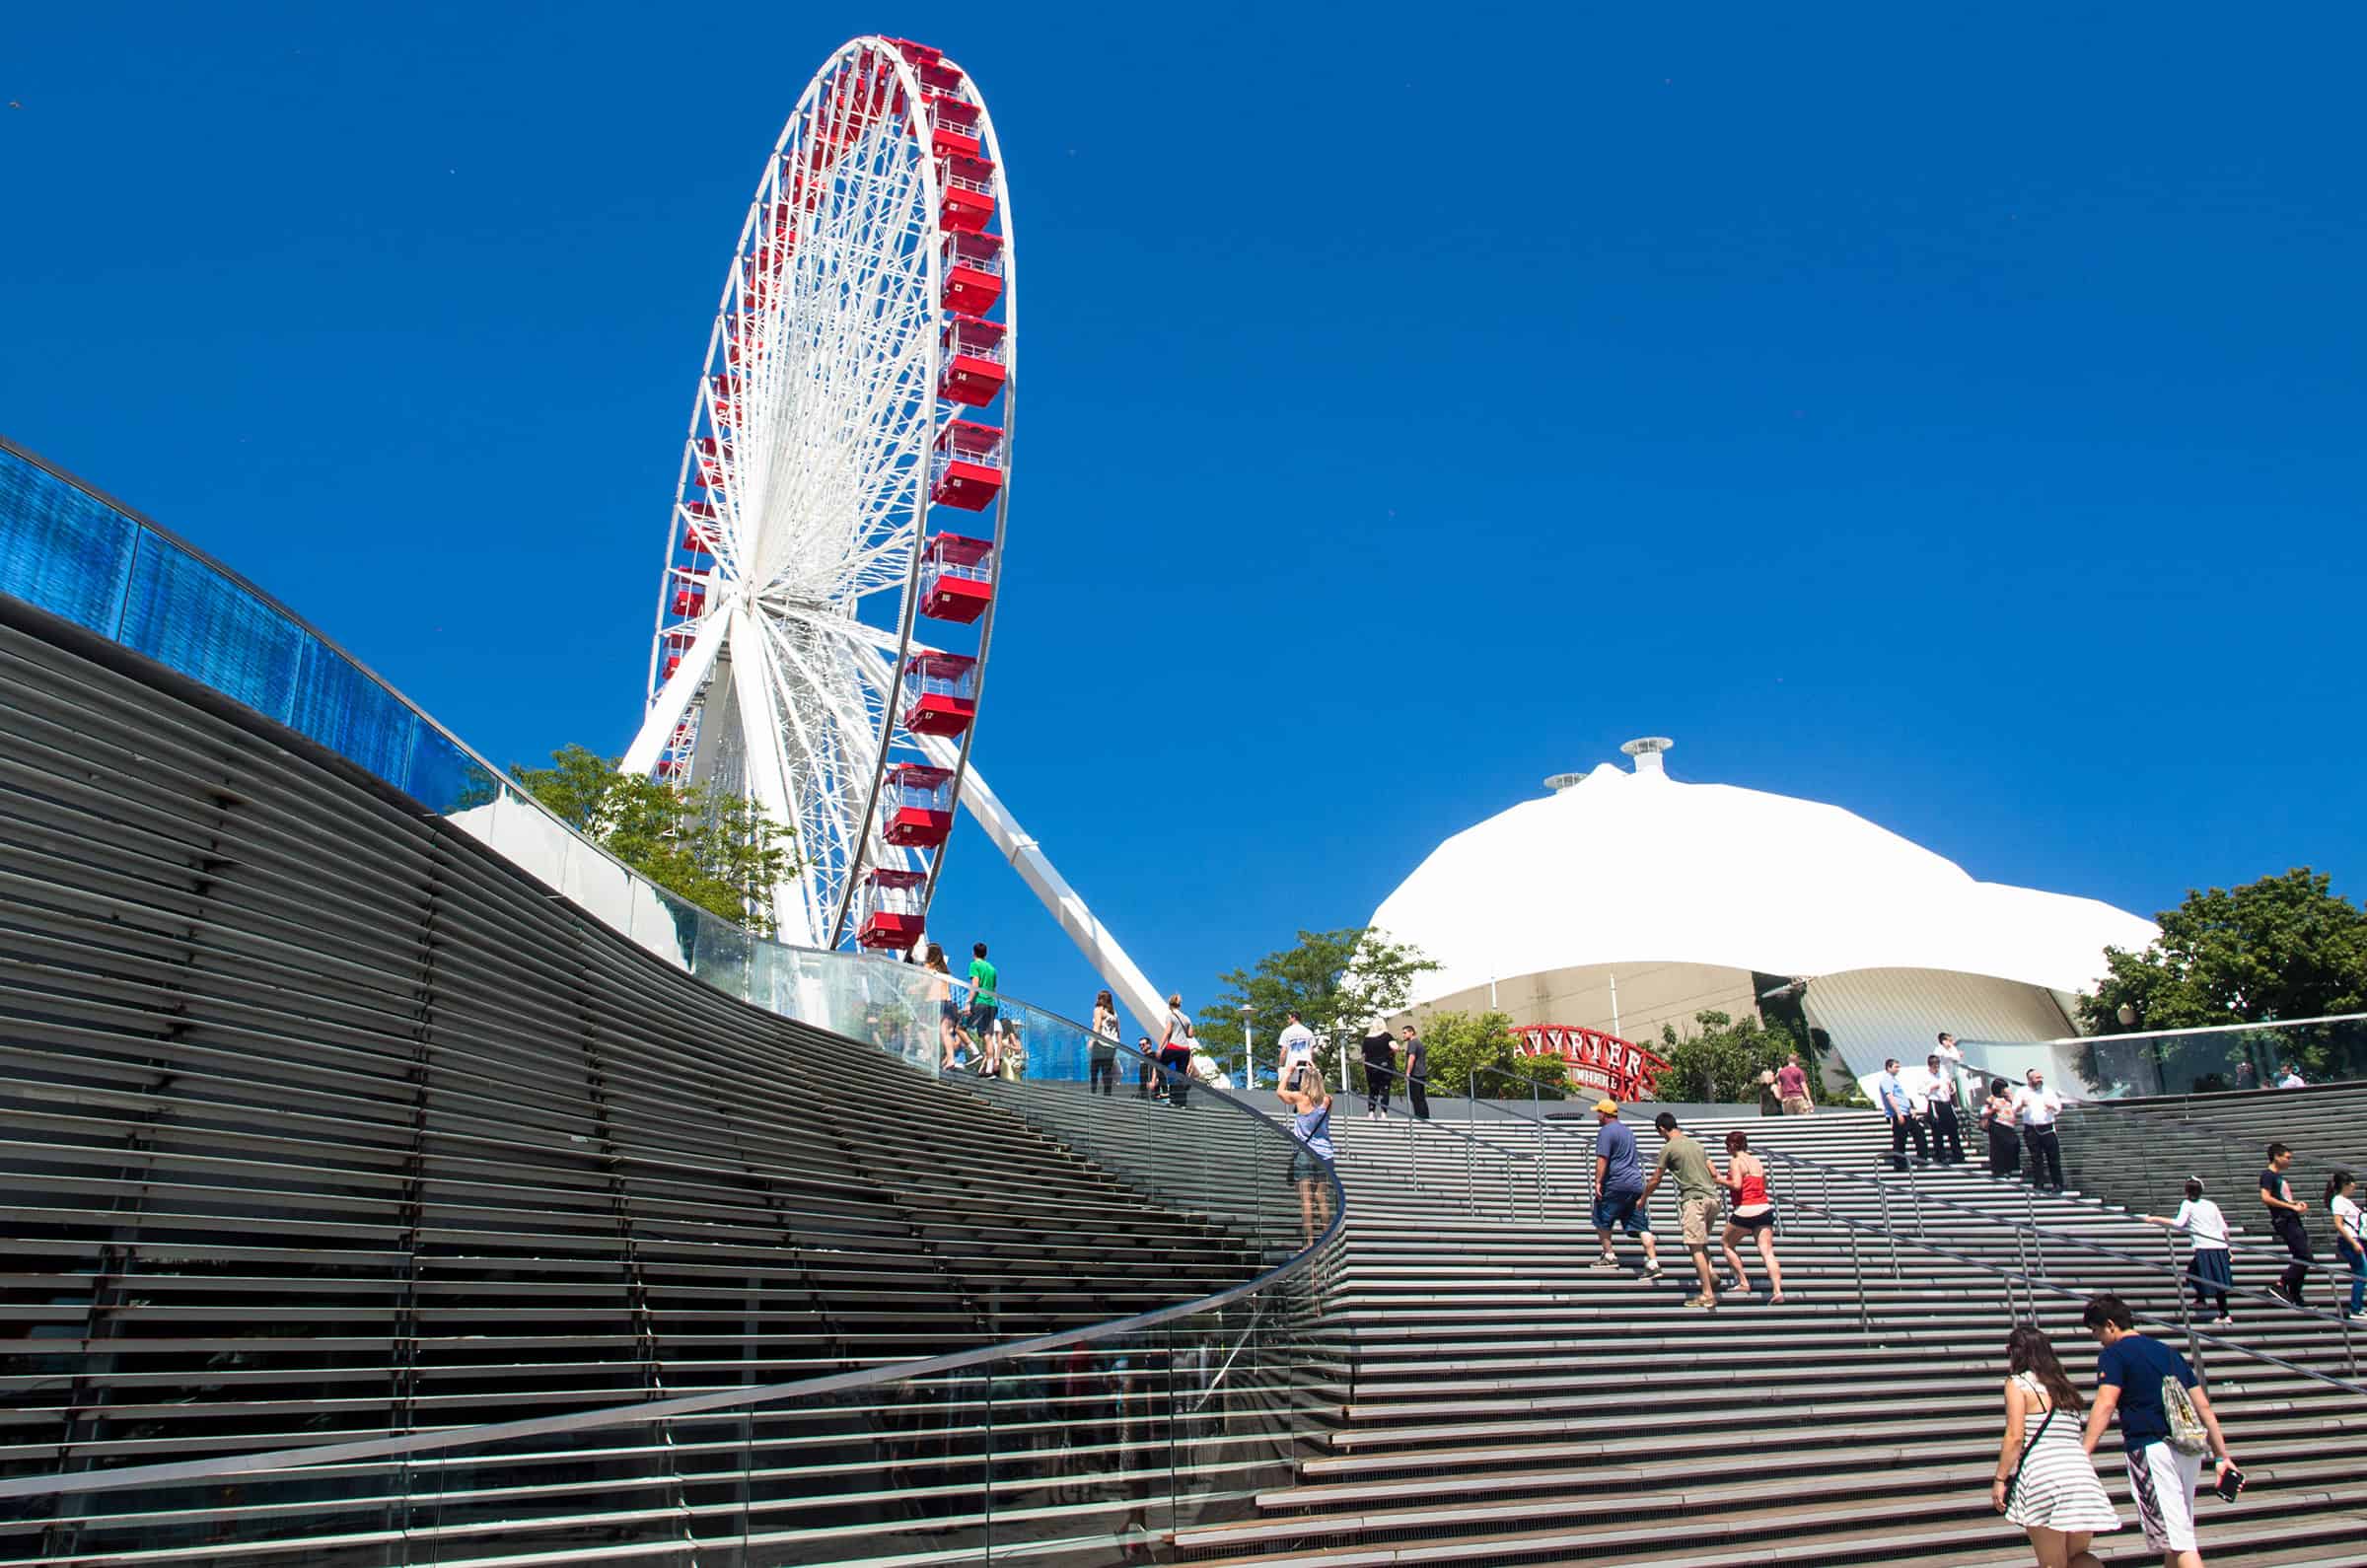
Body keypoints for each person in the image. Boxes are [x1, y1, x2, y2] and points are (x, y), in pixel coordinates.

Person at [2080, 1294, 2239, 1568]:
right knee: (2177, 1532)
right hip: (2187, 1450)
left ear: (2110, 1324)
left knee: (2179, 1540)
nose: (2097, 1338)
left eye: (2096, 1331)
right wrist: (2222, 1457)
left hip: (2151, 1450)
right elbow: (2204, 1409)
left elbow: (2106, 1403)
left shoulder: (2113, 1355)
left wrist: (2084, 1453)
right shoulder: (2169, 1353)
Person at [1990, 1324, 2118, 1568]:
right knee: (2078, 1557)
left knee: (2052, 1562)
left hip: (2044, 1476)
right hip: (2081, 1477)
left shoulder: (2018, 1384)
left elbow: (2015, 1435)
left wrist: (2000, 1479)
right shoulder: (2063, 1387)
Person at [1642, 1111, 1723, 1310]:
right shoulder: (1697, 1145)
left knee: (1694, 1246)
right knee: (1702, 1240)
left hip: (1693, 1199)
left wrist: (1643, 1197)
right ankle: (1710, 1273)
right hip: (1713, 1198)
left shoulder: (1668, 1148)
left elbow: (1656, 1178)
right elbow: (1714, 1173)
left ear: (1662, 1129)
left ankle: (1707, 1294)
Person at [1587, 1099, 1661, 1278]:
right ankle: (1653, 1262)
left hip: (1615, 1183)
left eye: (1599, 1113)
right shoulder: (1627, 1131)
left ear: (1604, 1114)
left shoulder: (1605, 1132)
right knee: (1641, 1225)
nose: (1597, 1116)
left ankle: (1609, 1255)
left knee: (1601, 1216)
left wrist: (1597, 1181)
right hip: (1635, 1183)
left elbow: (1602, 1158)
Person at [2143, 1178, 2234, 1323]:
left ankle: (2224, 1314)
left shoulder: (2188, 1204)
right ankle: (2201, 1299)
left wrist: (2154, 1219)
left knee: (2215, 1281)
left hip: (2205, 1246)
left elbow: (2178, 1223)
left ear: (2186, 1192)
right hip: (2219, 1245)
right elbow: (2223, 1227)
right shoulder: (2211, 1204)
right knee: (2194, 1271)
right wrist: (2229, 1248)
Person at [1716, 1129, 1784, 1304]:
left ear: (1732, 1145)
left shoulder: (1736, 1161)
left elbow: (1737, 1185)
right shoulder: (1757, 1161)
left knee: (1726, 1244)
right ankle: (1777, 1290)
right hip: (1764, 1207)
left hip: (1746, 1208)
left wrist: (1719, 1179)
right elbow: (1765, 1182)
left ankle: (1743, 1281)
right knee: (1767, 1251)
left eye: (1726, 1145)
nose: (1726, 1149)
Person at [1276, 1067, 1335, 1245]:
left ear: (1305, 1082)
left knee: (1306, 1201)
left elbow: (1279, 1092)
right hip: (1325, 1153)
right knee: (1322, 1199)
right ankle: (1327, 1239)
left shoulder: (1300, 1098)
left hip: (1305, 1152)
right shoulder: (1327, 1100)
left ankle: (1309, 1242)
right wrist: (1314, 1068)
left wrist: (1287, 1073)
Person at [2259, 1142, 2312, 1304]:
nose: (2290, 1161)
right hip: (2285, 1220)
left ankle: (2295, 1295)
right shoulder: (2268, 1175)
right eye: (2287, 1158)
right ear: (2277, 1156)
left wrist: (2296, 1204)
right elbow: (2266, 1198)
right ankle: (2279, 1284)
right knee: (2305, 1256)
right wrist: (2291, 1206)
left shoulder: (2279, 1176)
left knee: (2301, 1257)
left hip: (2291, 1217)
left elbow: (2283, 1198)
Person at [2015, 1069, 2067, 1192]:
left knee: (2053, 1158)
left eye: (2041, 1077)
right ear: (2029, 1079)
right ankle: (2039, 1184)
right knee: (2036, 1158)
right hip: (2031, 1129)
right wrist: (2021, 1105)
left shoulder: (2048, 1091)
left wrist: (2052, 1107)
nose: (2040, 1080)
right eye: (2037, 1078)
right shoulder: (2022, 1092)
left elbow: (2058, 1107)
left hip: (2047, 1128)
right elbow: (2014, 1109)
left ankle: (2058, 1184)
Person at [925, 944, 973, 1070]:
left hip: (934, 1002)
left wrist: (911, 988)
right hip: (947, 1003)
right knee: (945, 1032)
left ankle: (929, 1055)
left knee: (924, 1029)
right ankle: (950, 1059)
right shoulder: (944, 970)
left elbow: (924, 983)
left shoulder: (929, 966)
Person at [1876, 1058, 1929, 1169]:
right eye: (1896, 1067)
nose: (1898, 1069)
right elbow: (1890, 1096)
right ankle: (1899, 1163)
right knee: (1900, 1139)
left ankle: (1922, 1158)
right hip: (1899, 1114)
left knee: (1919, 1132)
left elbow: (1901, 1097)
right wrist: (1898, 1113)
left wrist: (1910, 1108)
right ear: (1889, 1067)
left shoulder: (1894, 1080)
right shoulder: (1887, 1080)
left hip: (1906, 1112)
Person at [2326, 1169, 2362, 1319]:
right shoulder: (2338, 1201)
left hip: (2355, 1239)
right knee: (2361, 1274)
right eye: (2352, 1182)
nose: (2355, 1185)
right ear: (2345, 1184)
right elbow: (2339, 1224)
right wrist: (2354, 1243)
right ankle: (2355, 1309)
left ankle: (2357, 1308)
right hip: (2350, 1241)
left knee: (2362, 1274)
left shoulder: (2346, 1201)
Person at [1924, 1051, 1967, 1165]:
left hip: (1946, 1103)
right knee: (1937, 1131)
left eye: (1937, 1065)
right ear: (1930, 1066)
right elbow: (1921, 1090)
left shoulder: (1943, 1073)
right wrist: (1931, 1088)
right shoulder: (1925, 1076)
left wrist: (1950, 1088)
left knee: (1953, 1129)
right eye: (1934, 1066)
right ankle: (1940, 1156)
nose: (1936, 1068)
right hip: (1935, 1103)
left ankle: (1958, 1154)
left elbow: (1949, 1084)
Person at [966, 941, 1000, 1056]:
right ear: (985, 954)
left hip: (980, 1002)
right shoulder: (992, 969)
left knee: (960, 1027)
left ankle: (975, 1052)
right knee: (987, 1035)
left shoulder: (974, 965)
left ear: (973, 953)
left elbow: (975, 984)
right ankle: (990, 1066)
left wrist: (968, 1002)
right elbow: (994, 990)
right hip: (992, 1004)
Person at [1158, 994, 1192, 1107]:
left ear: (1169, 1004)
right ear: (1179, 1004)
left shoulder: (1170, 1015)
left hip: (1174, 1046)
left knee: (1158, 1065)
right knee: (1180, 1076)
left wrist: (1160, 1048)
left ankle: (1165, 1092)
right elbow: (1190, 1034)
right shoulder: (1186, 1018)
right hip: (1185, 1050)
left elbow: (1167, 1031)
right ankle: (1181, 1102)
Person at [1983, 1078, 2024, 1177]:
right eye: (2003, 1088)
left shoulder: (2009, 1099)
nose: (2006, 1090)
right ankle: (2000, 1170)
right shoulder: (1991, 1099)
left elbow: (2018, 1108)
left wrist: (2011, 1099)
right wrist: (1993, 1110)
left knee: (2014, 1144)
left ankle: (2013, 1167)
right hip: (1997, 1124)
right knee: (1999, 1148)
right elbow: (1984, 1112)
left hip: (2009, 1125)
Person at [1359, 1021, 1396, 1119]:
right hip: (1385, 1066)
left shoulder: (1367, 1039)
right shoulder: (1387, 1036)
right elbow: (1395, 1047)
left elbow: (1363, 1055)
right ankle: (1384, 1112)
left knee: (1372, 1090)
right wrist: (1390, 1053)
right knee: (1385, 1089)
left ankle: (1371, 1112)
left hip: (1371, 1067)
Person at [1275, 1010, 1316, 1093]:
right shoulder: (1308, 1032)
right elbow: (1312, 1051)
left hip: (1292, 1065)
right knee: (1306, 1092)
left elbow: (1284, 1050)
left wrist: (1280, 1065)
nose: (1288, 1020)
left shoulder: (1286, 1032)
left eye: (1289, 1018)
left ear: (1293, 1018)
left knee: (1295, 1092)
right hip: (1306, 1065)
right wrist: (1312, 1064)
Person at [1088, 989, 1119, 1096]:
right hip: (1112, 1045)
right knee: (1107, 1072)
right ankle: (1107, 1096)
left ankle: (1092, 1094)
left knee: (1094, 1070)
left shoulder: (1098, 1009)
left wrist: (1092, 1040)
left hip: (1101, 1042)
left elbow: (1097, 1027)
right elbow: (1118, 1031)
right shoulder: (1114, 1013)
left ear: (1100, 998)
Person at [1400, 1024, 1429, 1120]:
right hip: (1422, 1073)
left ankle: (1420, 1118)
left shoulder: (1412, 1043)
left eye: (1405, 1033)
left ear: (1411, 1032)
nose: (1403, 1035)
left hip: (1415, 1074)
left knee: (1416, 1098)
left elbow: (1411, 1058)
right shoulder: (1418, 1042)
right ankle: (1425, 1118)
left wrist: (1407, 1073)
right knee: (1421, 1098)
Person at [1133, 1034, 1156, 1100]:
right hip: (1143, 1085)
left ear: (1149, 1045)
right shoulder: (1143, 1057)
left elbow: (1156, 1068)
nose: (1141, 1047)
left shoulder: (1153, 1055)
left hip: (1150, 1084)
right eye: (1139, 1045)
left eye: (1143, 1044)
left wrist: (1153, 1081)